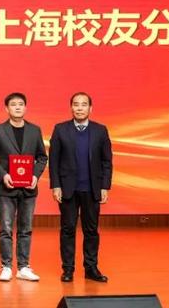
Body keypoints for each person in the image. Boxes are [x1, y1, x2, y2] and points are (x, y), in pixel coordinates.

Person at [49, 92, 113, 283]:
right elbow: (54, 161)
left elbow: (107, 161)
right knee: (67, 229)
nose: (79, 108)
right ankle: (68, 269)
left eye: (83, 104)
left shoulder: (100, 130)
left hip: (92, 188)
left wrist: (105, 186)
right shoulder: (60, 129)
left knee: (91, 230)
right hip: (68, 188)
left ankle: (91, 268)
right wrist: (56, 185)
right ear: (71, 108)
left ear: (90, 108)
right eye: (76, 104)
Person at [0, 92, 48, 282]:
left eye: (21, 104)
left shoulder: (35, 131)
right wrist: (3, 175)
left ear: (25, 107)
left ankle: (23, 267)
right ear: (7, 108)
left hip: (28, 188)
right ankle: (6, 267)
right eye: (13, 104)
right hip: (6, 188)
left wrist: (35, 175)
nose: (18, 107)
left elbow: (42, 157)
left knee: (25, 228)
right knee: (6, 228)